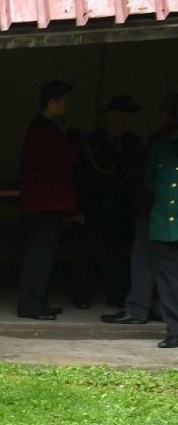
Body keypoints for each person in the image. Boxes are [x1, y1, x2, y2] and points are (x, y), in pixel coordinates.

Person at [110, 96, 177, 327]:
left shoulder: (161, 141)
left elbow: (150, 180)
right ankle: (157, 309)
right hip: (157, 212)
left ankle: (139, 308)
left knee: (145, 259)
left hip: (155, 212)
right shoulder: (160, 140)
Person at [16, 80, 79, 320]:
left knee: (43, 255)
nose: (67, 107)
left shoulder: (44, 127)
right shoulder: (43, 129)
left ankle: (39, 302)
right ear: (52, 102)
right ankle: (31, 306)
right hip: (43, 203)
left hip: (43, 203)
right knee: (38, 256)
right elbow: (63, 160)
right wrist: (72, 133)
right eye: (65, 102)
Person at [77, 96, 145, 311]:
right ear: (109, 115)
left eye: (126, 115)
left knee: (118, 254)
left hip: (122, 206)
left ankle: (116, 295)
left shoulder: (133, 142)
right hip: (95, 205)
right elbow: (82, 177)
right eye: (120, 114)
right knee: (88, 252)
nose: (123, 119)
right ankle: (81, 295)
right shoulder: (92, 142)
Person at [147, 103, 178, 349]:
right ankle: (175, 331)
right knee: (168, 282)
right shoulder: (160, 147)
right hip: (163, 224)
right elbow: (150, 181)